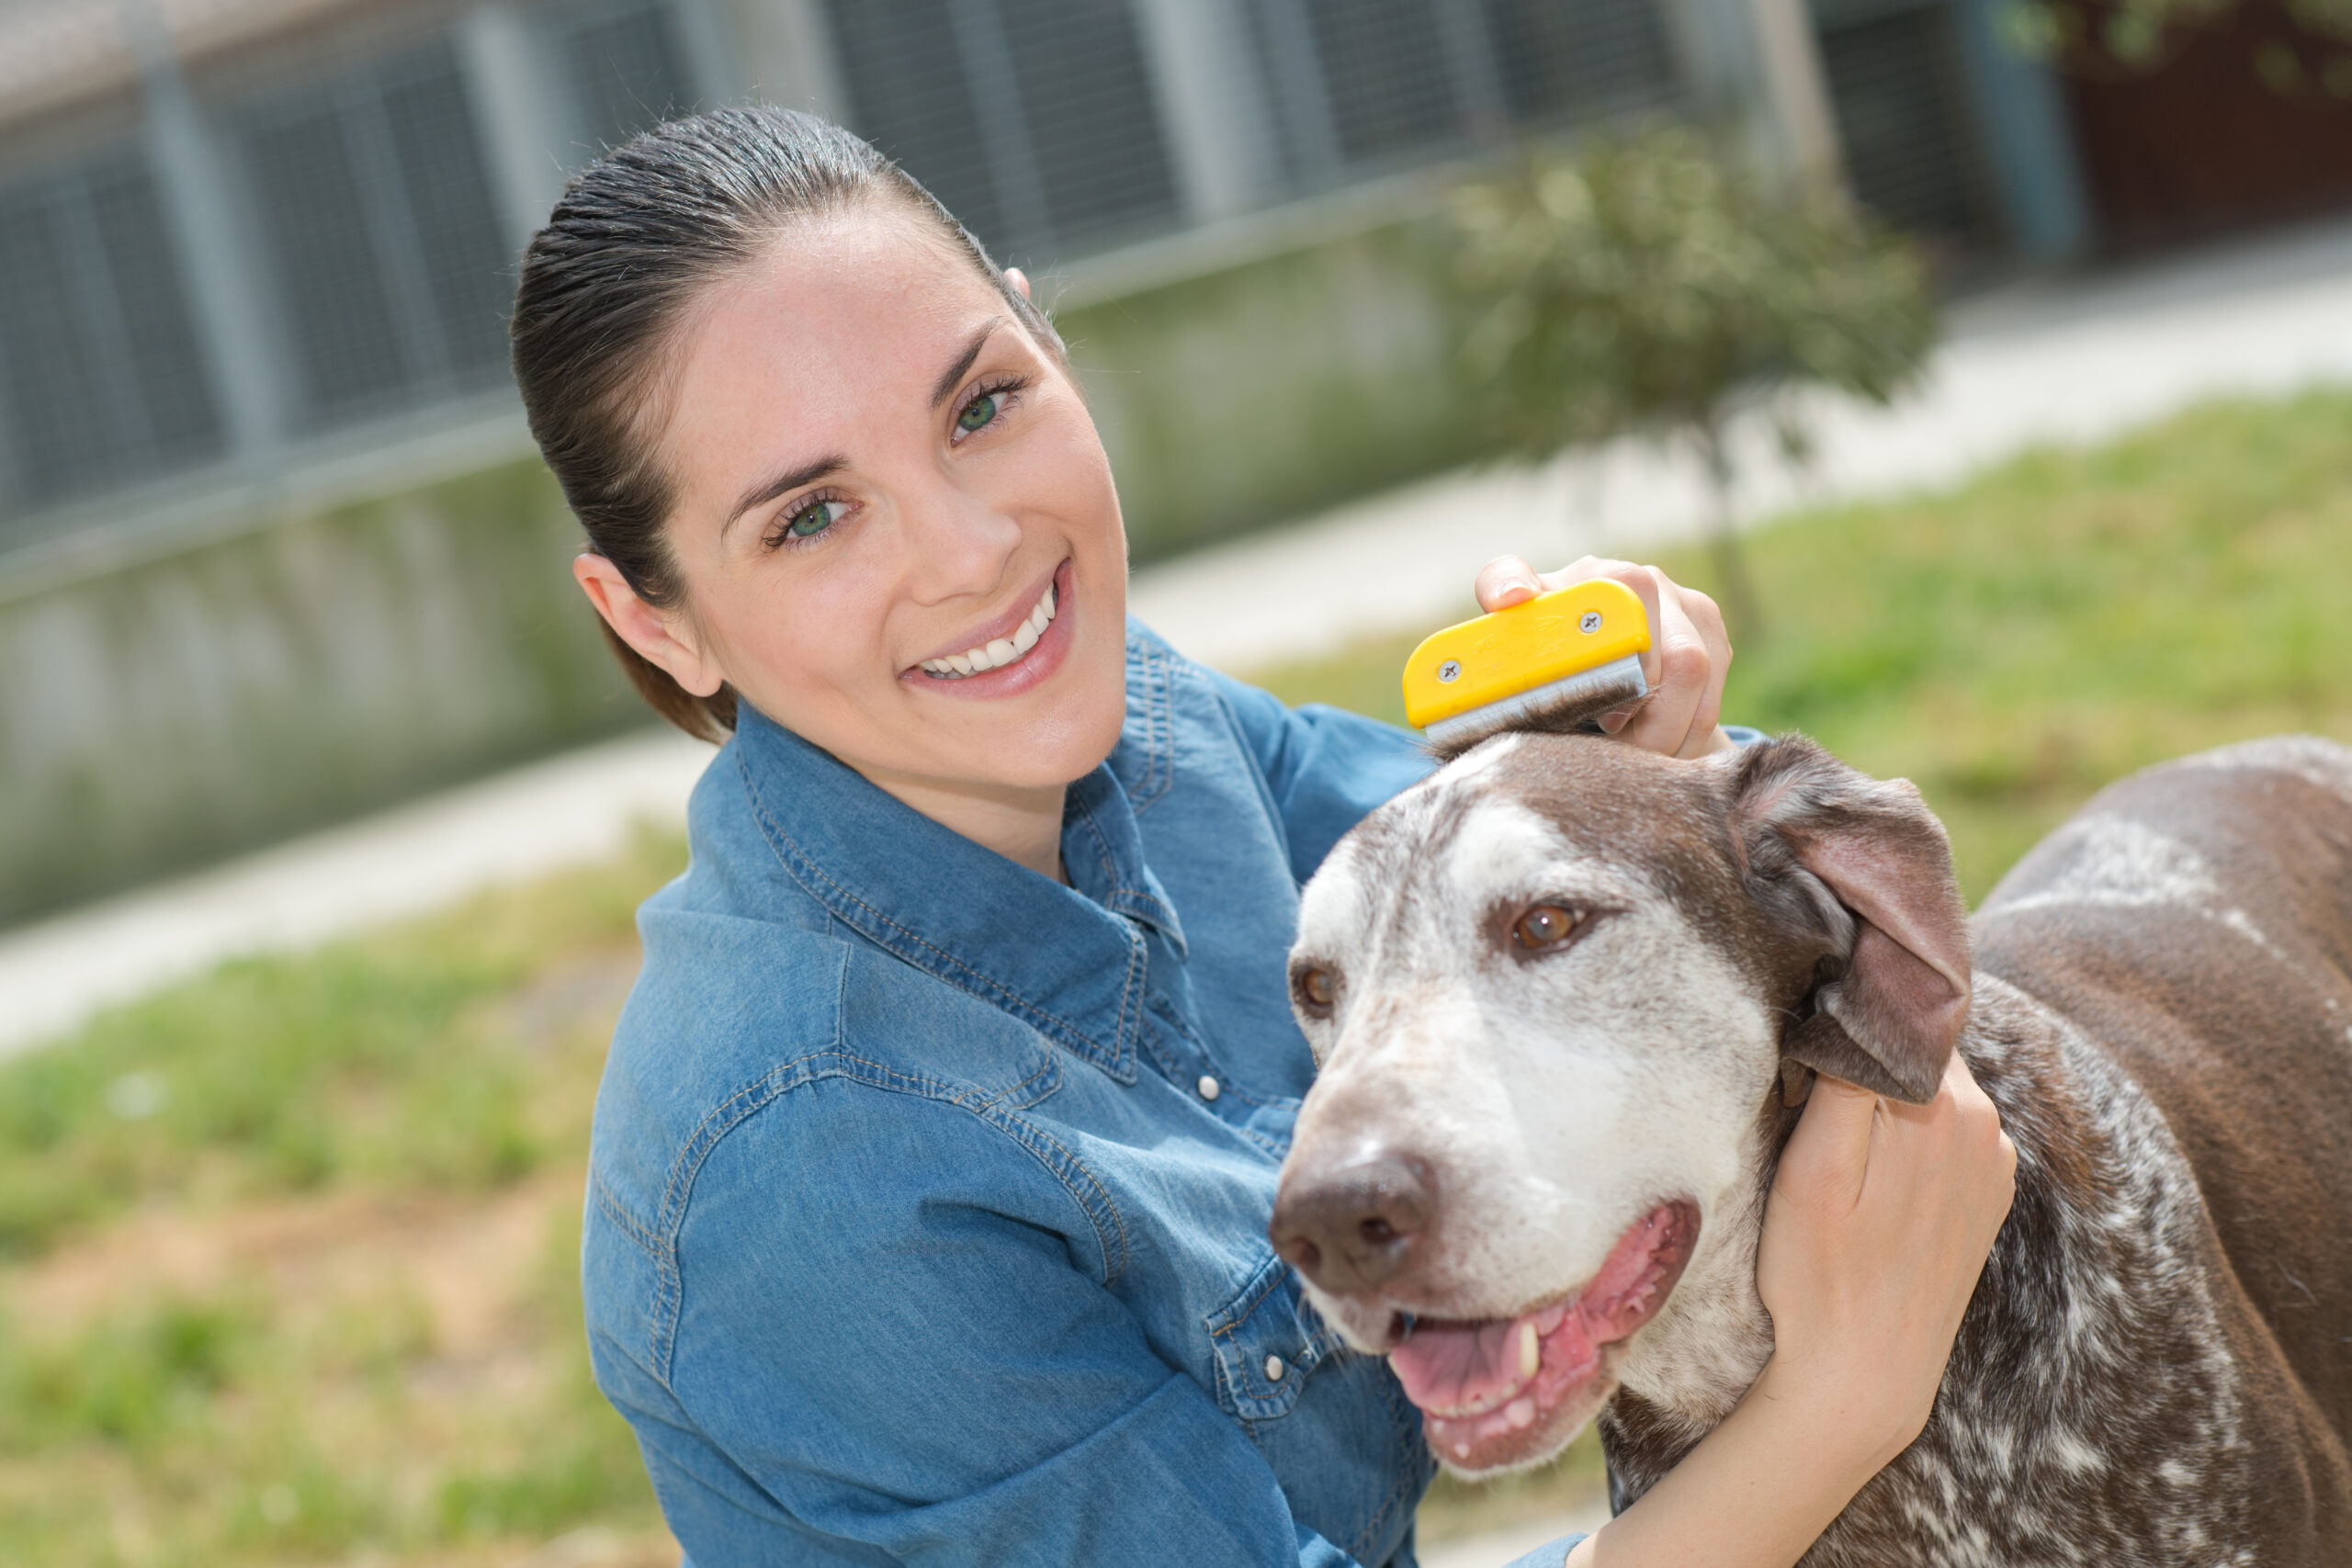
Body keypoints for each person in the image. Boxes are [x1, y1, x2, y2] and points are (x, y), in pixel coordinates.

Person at [510, 107, 2017, 1568]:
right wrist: (1842, 1403)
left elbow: (1585, 895)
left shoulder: (1140, 727)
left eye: (982, 408)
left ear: (1048, 343)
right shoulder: (809, 1164)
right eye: (811, 518)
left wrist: (1651, 766)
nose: (973, 554)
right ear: (651, 619)